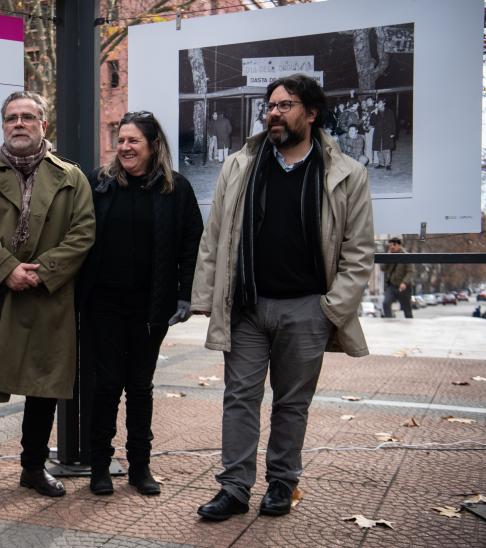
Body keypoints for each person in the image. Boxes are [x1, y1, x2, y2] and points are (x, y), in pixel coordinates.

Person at [191, 74, 374, 521]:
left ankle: (281, 483)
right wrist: (207, 297)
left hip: (308, 308)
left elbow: (358, 250)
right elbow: (214, 238)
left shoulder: (345, 173)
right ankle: (234, 488)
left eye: (286, 105)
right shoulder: (240, 165)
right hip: (248, 305)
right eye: (270, 105)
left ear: (310, 114)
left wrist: (332, 308)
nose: (274, 112)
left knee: (292, 404)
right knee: (239, 397)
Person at [0, 91, 95, 507]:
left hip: (46, 297)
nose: (19, 124)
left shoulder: (72, 176)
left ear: (43, 125)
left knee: (42, 386)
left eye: (28, 117)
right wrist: (7, 269)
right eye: (11, 117)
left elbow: (83, 233)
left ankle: (32, 467)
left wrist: (41, 273)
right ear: (3, 125)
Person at [78, 111, 203, 496]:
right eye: (121, 140)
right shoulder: (100, 183)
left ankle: (140, 467)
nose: (125, 147)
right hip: (103, 304)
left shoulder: (175, 189)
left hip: (152, 306)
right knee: (106, 385)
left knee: (140, 386)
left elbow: (190, 244)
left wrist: (185, 295)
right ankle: (99, 466)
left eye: (134, 141)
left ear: (152, 146)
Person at [382, 237, 414, 318]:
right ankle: (388, 321)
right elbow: (383, 268)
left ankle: (410, 326)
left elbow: (410, 271)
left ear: (399, 245)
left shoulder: (406, 255)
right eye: (390, 245)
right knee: (386, 303)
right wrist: (387, 257)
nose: (392, 247)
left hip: (403, 287)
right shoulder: (389, 255)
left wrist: (404, 282)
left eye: (394, 245)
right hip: (392, 286)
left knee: (407, 310)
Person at [371, 99, 396, 170]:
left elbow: (393, 123)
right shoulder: (375, 112)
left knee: (387, 149)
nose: (378, 104)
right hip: (378, 133)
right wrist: (375, 114)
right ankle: (381, 164)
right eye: (377, 103)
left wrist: (393, 133)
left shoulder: (389, 112)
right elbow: (372, 123)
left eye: (379, 103)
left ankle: (388, 164)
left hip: (387, 132)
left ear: (384, 103)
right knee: (379, 149)